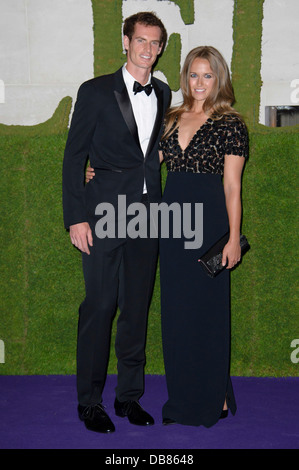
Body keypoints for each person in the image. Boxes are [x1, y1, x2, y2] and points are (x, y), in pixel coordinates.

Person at [62, 12, 171, 434]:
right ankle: (89, 402)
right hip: (103, 215)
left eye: (154, 42)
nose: (147, 48)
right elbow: (74, 157)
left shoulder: (162, 92)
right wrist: (76, 217)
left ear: (161, 48)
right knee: (101, 306)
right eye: (140, 40)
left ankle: (129, 398)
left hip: (148, 215)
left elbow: (151, 153)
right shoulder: (94, 91)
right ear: (125, 42)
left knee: (136, 309)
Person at [158, 46, 248, 427]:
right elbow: (142, 166)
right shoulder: (171, 118)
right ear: (185, 78)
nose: (199, 83)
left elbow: (232, 186)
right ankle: (181, 399)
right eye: (193, 75)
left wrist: (233, 237)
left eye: (207, 75)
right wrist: (100, 173)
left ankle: (214, 399)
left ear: (219, 79)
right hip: (171, 224)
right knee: (177, 315)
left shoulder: (231, 124)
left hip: (209, 225)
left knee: (207, 316)